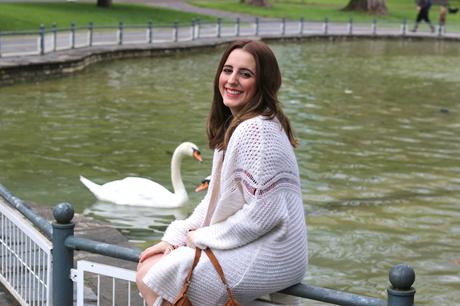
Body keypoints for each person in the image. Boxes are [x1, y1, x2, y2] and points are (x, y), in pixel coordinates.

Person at [136, 40, 308, 306]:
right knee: (154, 267)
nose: (232, 80)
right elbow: (214, 202)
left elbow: (264, 214)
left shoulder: (256, 131)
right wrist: (176, 236)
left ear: (264, 83)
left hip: (276, 253)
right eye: (228, 70)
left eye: (246, 74)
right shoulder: (238, 126)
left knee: (155, 274)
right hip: (264, 244)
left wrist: (201, 238)